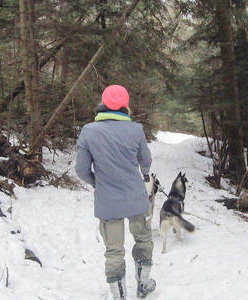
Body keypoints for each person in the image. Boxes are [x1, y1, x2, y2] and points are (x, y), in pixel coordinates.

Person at [75, 85, 156, 299]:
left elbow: (81, 170)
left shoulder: (88, 131)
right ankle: (144, 284)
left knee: (113, 249)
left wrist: (97, 183)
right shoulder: (136, 130)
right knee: (143, 239)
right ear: (125, 106)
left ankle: (119, 295)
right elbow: (145, 160)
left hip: (108, 201)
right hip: (135, 198)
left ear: (102, 105)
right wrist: (145, 174)